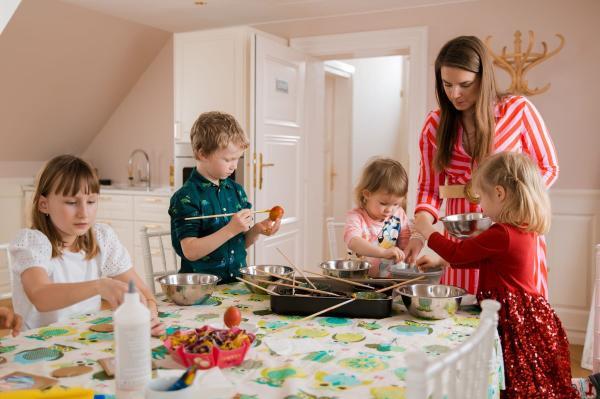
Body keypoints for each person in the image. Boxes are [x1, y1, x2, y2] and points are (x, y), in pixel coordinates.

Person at [404, 35, 558, 297]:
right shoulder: (434, 124)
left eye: (465, 84)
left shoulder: (518, 110)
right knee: (465, 317)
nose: (455, 94)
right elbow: (429, 189)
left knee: (512, 313)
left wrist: (516, 203)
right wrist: (420, 234)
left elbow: (548, 167)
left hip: (510, 232)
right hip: (460, 240)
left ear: (483, 79)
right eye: (447, 84)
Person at [414, 152, 575, 398]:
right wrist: (441, 260)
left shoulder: (502, 233)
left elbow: (459, 252)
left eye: (482, 199)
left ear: (499, 193)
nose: (481, 207)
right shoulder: (523, 228)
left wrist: (427, 231)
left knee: (514, 377)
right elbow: (487, 261)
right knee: (526, 376)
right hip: (526, 314)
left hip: (513, 316)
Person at [9, 155, 163, 335]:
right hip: (39, 346)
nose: (84, 213)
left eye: (91, 201)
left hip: (83, 338)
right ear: (44, 205)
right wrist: (100, 286)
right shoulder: (33, 242)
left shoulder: (102, 237)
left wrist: (148, 315)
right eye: (72, 202)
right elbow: (41, 296)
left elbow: (144, 293)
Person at [169, 111, 281, 284]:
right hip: (201, 289)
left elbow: (238, 244)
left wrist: (257, 229)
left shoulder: (236, 191)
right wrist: (230, 229)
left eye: (237, 159)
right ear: (202, 154)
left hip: (237, 283)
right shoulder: (186, 197)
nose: (234, 166)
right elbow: (190, 251)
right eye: (228, 159)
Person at [343, 158, 421, 278]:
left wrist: (407, 258)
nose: (389, 210)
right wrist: (383, 252)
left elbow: (405, 244)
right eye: (383, 203)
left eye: (396, 204)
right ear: (367, 194)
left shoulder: (398, 214)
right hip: (359, 281)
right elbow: (354, 242)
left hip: (389, 282)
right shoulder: (356, 217)